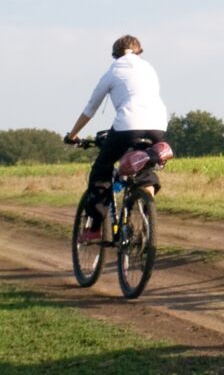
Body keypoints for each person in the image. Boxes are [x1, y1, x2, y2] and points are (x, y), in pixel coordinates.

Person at [64, 35, 169, 243]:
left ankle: (94, 226)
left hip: (128, 126)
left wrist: (72, 135)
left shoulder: (113, 71)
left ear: (115, 55)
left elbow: (90, 109)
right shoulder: (149, 68)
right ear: (139, 51)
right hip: (158, 125)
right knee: (144, 165)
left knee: (101, 168)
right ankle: (147, 214)